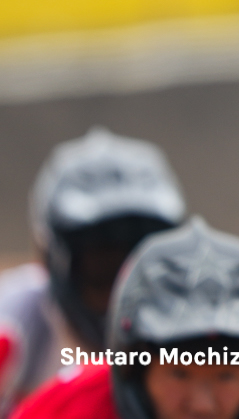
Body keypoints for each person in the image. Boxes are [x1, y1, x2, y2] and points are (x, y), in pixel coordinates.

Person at [12, 219, 239, 419]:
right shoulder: (65, 410)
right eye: (179, 373)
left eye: (226, 376)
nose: (201, 405)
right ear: (134, 371)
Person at [0, 132, 187, 416]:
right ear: (47, 258)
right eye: (104, 269)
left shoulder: (208, 332)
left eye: (148, 271)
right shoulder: (12, 330)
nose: (127, 298)